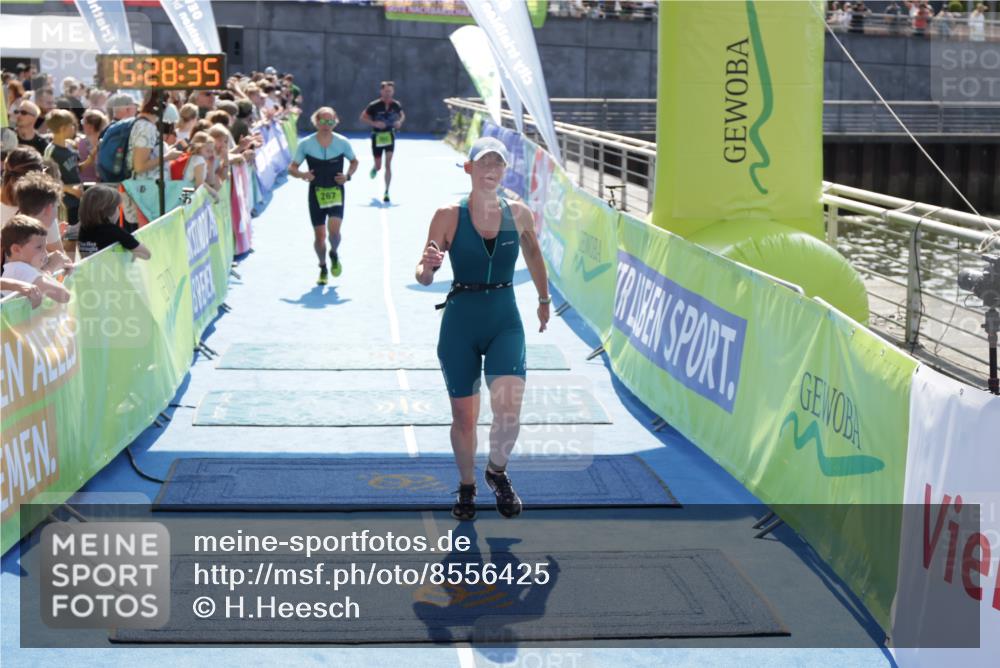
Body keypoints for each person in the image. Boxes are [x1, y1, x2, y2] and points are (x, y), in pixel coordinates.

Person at [415, 136, 551, 520]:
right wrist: (430, 266)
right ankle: (467, 485)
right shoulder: (448, 214)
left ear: (505, 171)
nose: (492, 170)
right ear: (469, 168)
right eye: (484, 163)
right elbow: (423, 274)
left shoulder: (520, 213)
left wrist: (543, 300)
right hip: (460, 322)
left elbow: (535, 254)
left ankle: (497, 471)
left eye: (499, 164)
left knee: (509, 410)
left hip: (504, 318)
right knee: (464, 417)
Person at [288, 107, 358, 285]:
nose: (326, 125)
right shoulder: (306, 143)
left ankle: (334, 253)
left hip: (336, 191)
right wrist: (303, 174)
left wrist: (347, 176)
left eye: (330, 121)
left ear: (335, 122)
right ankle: (323, 267)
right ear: (316, 122)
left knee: (334, 233)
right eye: (323, 121)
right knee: (319, 236)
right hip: (316, 193)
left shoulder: (342, 142)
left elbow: (354, 161)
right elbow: (292, 168)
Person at [1, 214, 71, 302]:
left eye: (45, 247)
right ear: (16, 249)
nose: (45, 253)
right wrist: (50, 267)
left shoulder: (16, 268)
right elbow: (64, 296)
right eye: (39, 247)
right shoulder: (21, 270)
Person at [77, 184, 151, 260]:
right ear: (110, 211)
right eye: (118, 207)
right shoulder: (114, 231)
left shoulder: (83, 229)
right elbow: (146, 255)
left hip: (90, 271)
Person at [360, 81, 405, 203]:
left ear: (393, 92)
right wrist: (374, 123)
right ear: (381, 91)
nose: (388, 94)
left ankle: (386, 191)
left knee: (388, 164)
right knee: (379, 166)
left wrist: (399, 122)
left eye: (390, 91)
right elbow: (363, 117)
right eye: (386, 91)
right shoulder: (374, 105)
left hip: (389, 135)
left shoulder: (396, 104)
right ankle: (375, 167)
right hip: (377, 137)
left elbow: (402, 115)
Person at [42, 109, 82, 228]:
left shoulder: (70, 145)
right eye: (72, 125)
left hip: (77, 200)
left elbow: (76, 169)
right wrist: (71, 190)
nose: (74, 128)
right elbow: (48, 180)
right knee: (67, 234)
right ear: (62, 128)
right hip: (64, 203)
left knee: (76, 234)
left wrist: (92, 156)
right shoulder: (51, 151)